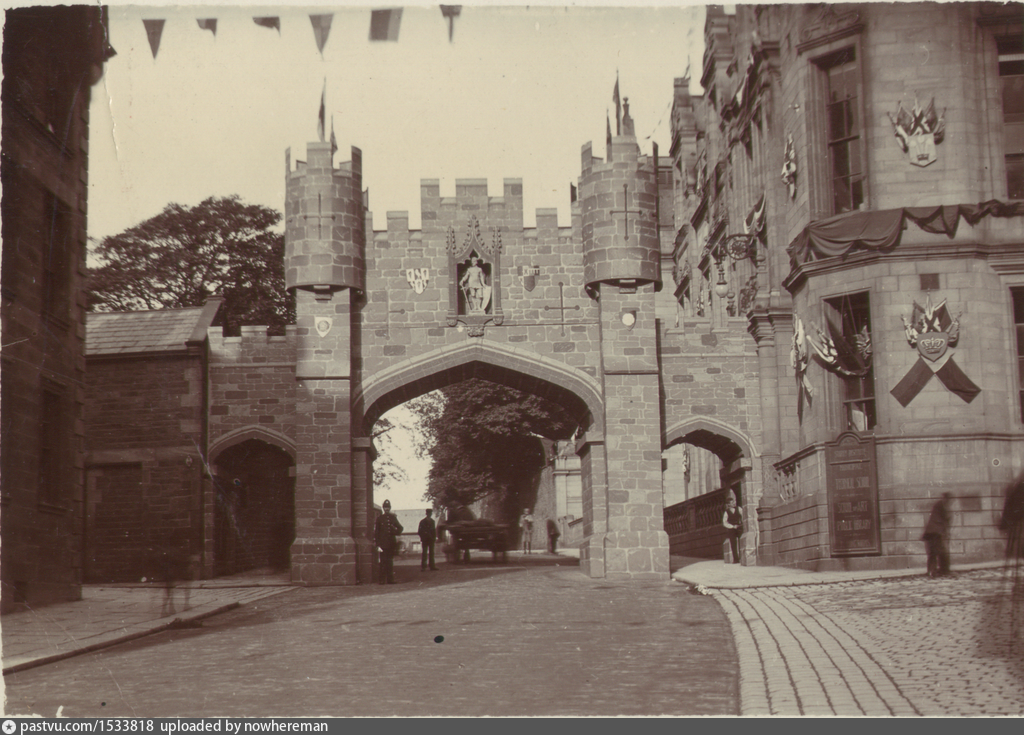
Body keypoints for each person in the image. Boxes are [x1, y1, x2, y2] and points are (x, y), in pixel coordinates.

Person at [922, 492, 954, 577]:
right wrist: (946, 532)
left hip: (931, 532)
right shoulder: (942, 505)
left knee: (933, 553)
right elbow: (946, 518)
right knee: (941, 551)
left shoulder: (939, 505)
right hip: (936, 532)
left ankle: (932, 571)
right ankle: (943, 570)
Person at [375, 499, 403, 584]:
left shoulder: (393, 518)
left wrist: (395, 532)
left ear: (390, 508)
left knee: (390, 562)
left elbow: (400, 528)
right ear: (383, 508)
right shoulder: (380, 518)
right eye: (385, 507)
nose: (386, 509)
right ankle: (381, 580)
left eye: (388, 507)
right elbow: (377, 532)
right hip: (383, 544)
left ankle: (390, 580)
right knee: (383, 562)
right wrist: (378, 544)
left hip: (391, 543)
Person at [722, 493, 743, 564]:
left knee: (741, 542)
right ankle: (736, 559)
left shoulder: (739, 508)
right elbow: (725, 522)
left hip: (739, 527)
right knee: (733, 544)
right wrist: (732, 526)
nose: (734, 503)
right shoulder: (726, 512)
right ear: (728, 504)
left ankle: (742, 557)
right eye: (732, 502)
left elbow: (743, 515)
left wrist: (741, 523)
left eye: (734, 501)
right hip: (732, 529)